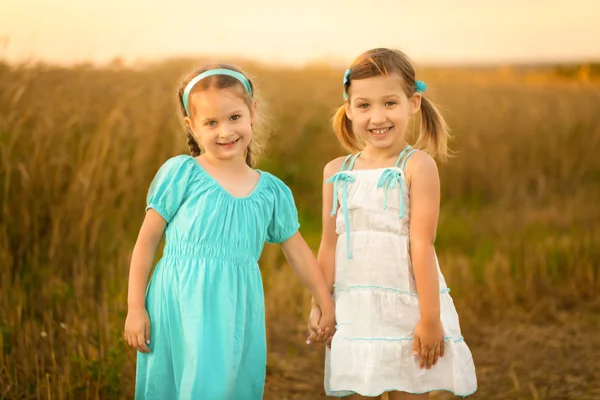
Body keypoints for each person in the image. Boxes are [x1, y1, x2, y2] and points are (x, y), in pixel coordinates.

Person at [123, 64, 335, 400]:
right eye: (211, 123)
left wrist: (325, 301)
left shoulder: (271, 191)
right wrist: (136, 308)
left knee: (225, 386)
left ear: (252, 112)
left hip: (236, 304)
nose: (226, 131)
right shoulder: (183, 174)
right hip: (179, 302)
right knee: (183, 384)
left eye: (234, 117)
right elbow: (146, 243)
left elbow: (297, 251)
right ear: (192, 127)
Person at [307, 48, 477, 399]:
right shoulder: (337, 171)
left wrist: (430, 319)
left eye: (390, 103)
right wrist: (320, 304)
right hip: (356, 308)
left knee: (409, 389)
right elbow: (329, 244)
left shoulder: (416, 166)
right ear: (349, 107)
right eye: (364, 105)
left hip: (407, 305)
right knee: (357, 389)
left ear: (412, 103)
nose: (377, 116)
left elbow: (422, 244)